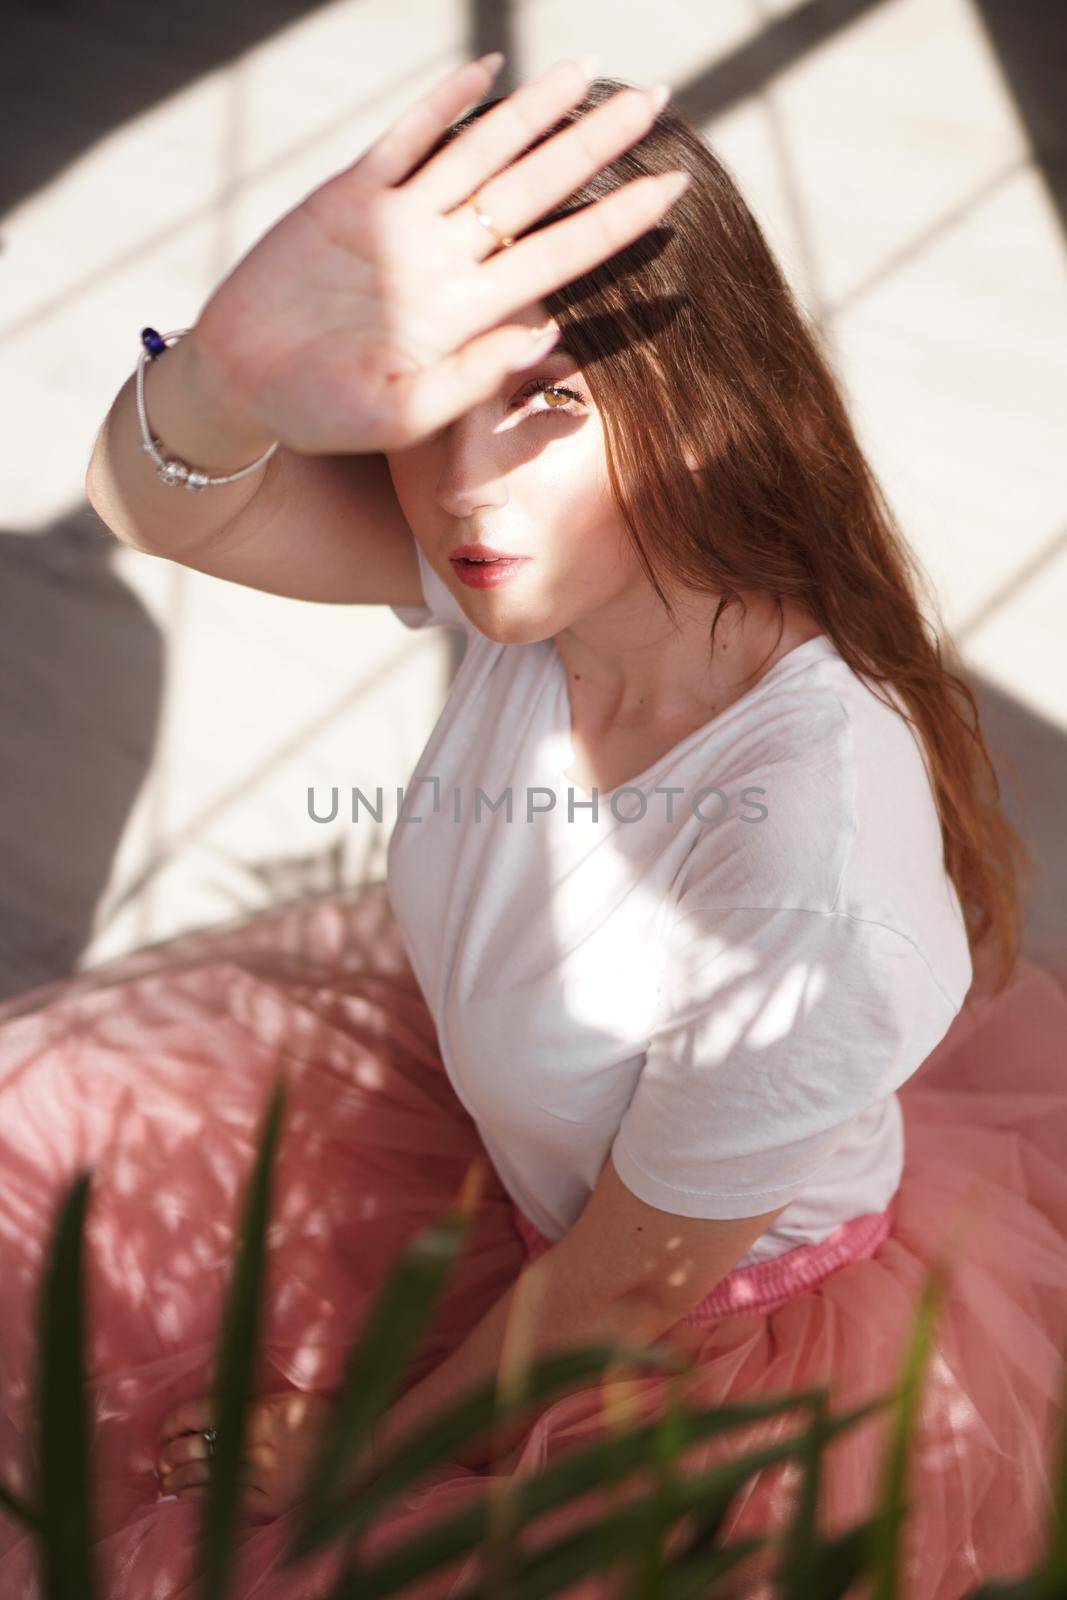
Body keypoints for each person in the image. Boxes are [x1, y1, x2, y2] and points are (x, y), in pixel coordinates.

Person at [1, 48, 1065, 1600]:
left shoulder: (803, 882)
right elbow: (165, 500)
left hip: (672, 1334)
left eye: (545, 400)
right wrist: (225, 370)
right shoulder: (571, 576)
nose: (460, 487)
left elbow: (623, 1303)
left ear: (703, 401)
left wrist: (363, 1457)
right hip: (511, 1172)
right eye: (434, 406)